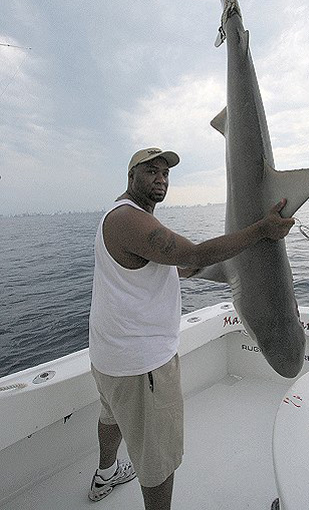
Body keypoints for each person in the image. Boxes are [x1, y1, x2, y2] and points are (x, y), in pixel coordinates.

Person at [88, 147, 295, 509]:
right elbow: (194, 254)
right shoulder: (129, 219)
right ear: (130, 175)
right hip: (143, 366)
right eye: (151, 171)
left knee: (112, 417)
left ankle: (105, 474)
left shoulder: (120, 216)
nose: (161, 179)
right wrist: (262, 229)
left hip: (110, 357)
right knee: (159, 463)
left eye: (165, 173)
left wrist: (199, 269)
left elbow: (166, 263)